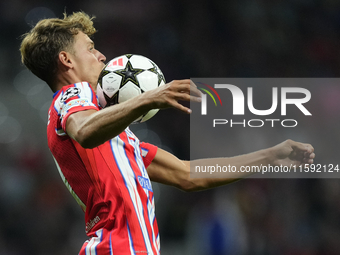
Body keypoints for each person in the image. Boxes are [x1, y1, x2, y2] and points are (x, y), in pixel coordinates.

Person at [20, 11, 315, 255]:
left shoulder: (118, 136)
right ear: (66, 60)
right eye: (90, 48)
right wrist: (149, 98)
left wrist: (270, 157)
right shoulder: (71, 96)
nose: (101, 55)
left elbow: (188, 174)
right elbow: (84, 130)